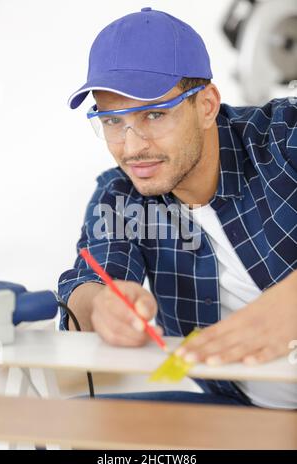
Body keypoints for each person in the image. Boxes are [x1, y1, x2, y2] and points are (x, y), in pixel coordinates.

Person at [58, 7, 297, 408]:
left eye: (154, 114)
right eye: (113, 121)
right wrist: (100, 307)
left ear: (206, 105)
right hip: (248, 413)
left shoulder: (285, 135)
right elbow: (84, 285)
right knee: (80, 419)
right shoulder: (121, 198)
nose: (132, 148)